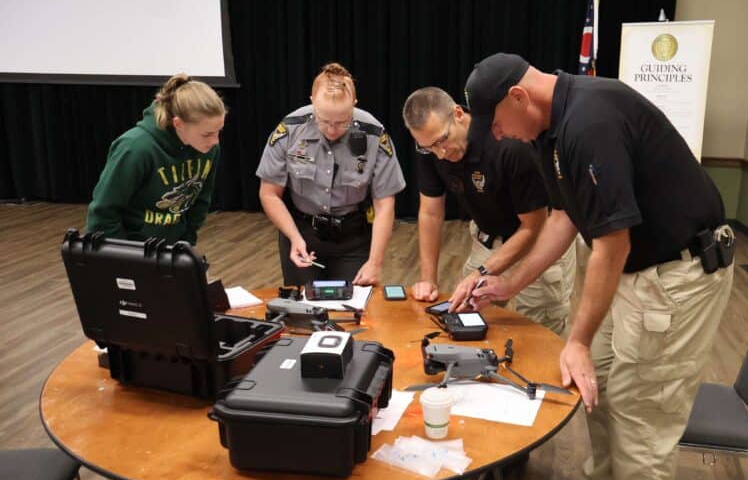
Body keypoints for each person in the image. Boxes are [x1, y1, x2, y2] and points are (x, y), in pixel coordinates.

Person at [464, 53, 735, 480]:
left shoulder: (589, 122)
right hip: (636, 274)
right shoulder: (551, 129)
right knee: (602, 388)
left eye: (499, 124)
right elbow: (565, 219)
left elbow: (613, 242)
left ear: (519, 97)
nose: (498, 136)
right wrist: (509, 283)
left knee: (641, 420)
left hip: (676, 277)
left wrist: (579, 341)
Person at [402, 86, 576, 335]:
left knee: (537, 333)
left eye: (442, 140)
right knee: (466, 319)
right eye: (429, 147)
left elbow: (533, 228)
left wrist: (482, 272)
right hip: (490, 239)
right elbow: (430, 213)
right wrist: (429, 278)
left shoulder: (508, 145)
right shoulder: (430, 147)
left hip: (541, 242)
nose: (440, 154)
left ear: (458, 114)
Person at [256, 63, 406, 286]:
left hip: (353, 238)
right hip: (301, 233)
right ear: (312, 102)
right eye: (324, 121)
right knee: (304, 311)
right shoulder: (290, 129)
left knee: (355, 312)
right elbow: (269, 194)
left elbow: (384, 204)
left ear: (354, 106)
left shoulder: (373, 134)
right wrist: (294, 237)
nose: (332, 130)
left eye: (342, 122)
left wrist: (375, 262)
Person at [86, 74, 226, 245]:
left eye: (219, 131)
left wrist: (184, 244)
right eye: (207, 134)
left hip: (170, 251)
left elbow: (201, 201)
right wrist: (126, 257)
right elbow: (103, 213)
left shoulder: (209, 149)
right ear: (178, 124)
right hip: (130, 251)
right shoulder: (135, 148)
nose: (215, 141)